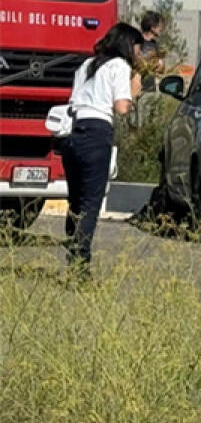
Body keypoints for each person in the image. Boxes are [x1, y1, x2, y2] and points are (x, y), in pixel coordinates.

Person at [60, 22, 143, 273]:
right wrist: (134, 92)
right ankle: (80, 265)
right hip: (97, 134)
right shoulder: (119, 66)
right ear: (128, 45)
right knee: (90, 203)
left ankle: (72, 256)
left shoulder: (87, 64)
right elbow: (121, 107)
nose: (138, 55)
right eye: (138, 48)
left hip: (72, 133)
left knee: (75, 201)